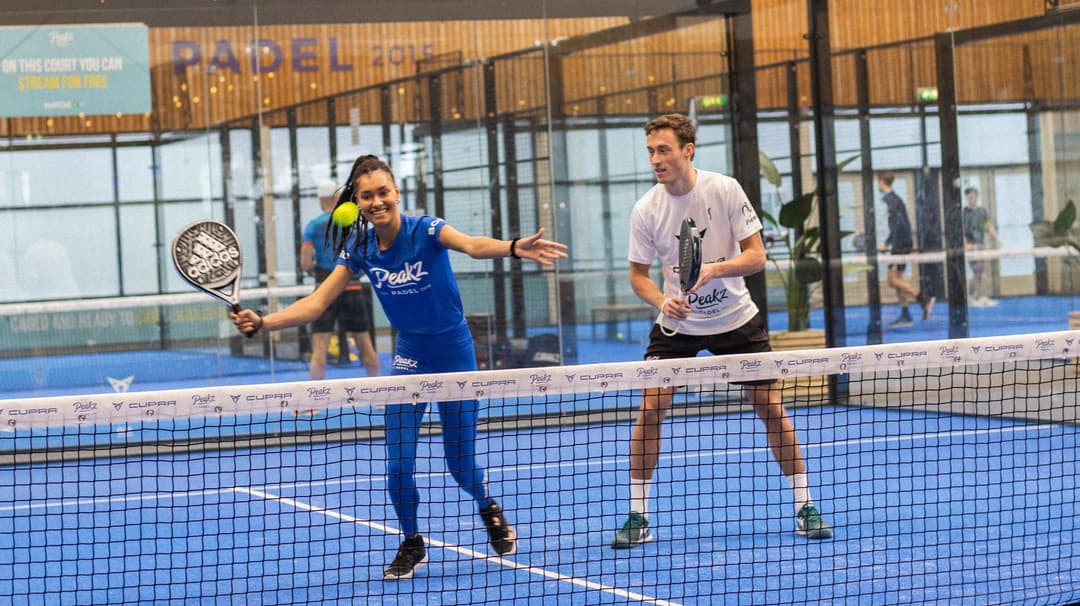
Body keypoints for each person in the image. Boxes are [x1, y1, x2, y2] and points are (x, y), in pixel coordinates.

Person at [231, 155, 567, 581]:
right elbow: (316, 303)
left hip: (455, 357)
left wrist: (515, 247)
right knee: (397, 463)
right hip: (409, 358)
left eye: (383, 192)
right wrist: (264, 322)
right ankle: (412, 541)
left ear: (397, 193)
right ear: (358, 202)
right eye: (367, 195)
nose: (376, 202)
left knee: (461, 465)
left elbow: (472, 244)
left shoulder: (425, 229)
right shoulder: (361, 248)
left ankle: (487, 505)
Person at [612, 113, 833, 550]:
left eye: (664, 150)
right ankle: (638, 515)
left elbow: (756, 257)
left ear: (687, 150)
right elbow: (638, 276)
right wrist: (662, 300)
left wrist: (714, 269)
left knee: (770, 407)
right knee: (651, 410)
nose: (656, 159)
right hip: (678, 323)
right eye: (651, 151)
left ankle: (806, 506)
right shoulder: (646, 209)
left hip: (736, 318)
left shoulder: (724, 189)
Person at [301, 179, 381, 380]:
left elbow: (305, 263)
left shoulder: (313, 226)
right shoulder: (354, 226)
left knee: (319, 348)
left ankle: (313, 403)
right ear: (338, 198)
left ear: (321, 199)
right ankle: (382, 398)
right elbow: (364, 257)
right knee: (364, 344)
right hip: (351, 288)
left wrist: (316, 270)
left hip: (324, 292)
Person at [877, 171, 935, 328]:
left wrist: (889, 244)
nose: (877, 185)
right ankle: (906, 314)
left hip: (900, 244)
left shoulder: (891, 200)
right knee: (896, 281)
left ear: (881, 181)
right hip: (901, 243)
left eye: (878, 181)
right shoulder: (895, 199)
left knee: (892, 280)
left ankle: (923, 299)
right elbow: (900, 223)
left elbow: (899, 225)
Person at [962, 185, 999, 307]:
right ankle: (973, 296)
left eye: (973, 195)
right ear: (967, 197)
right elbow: (961, 231)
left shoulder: (982, 211)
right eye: (969, 195)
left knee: (979, 272)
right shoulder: (964, 213)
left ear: (976, 196)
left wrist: (997, 238)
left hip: (980, 246)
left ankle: (977, 296)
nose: (971, 197)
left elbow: (988, 225)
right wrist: (966, 244)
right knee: (977, 270)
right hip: (970, 247)